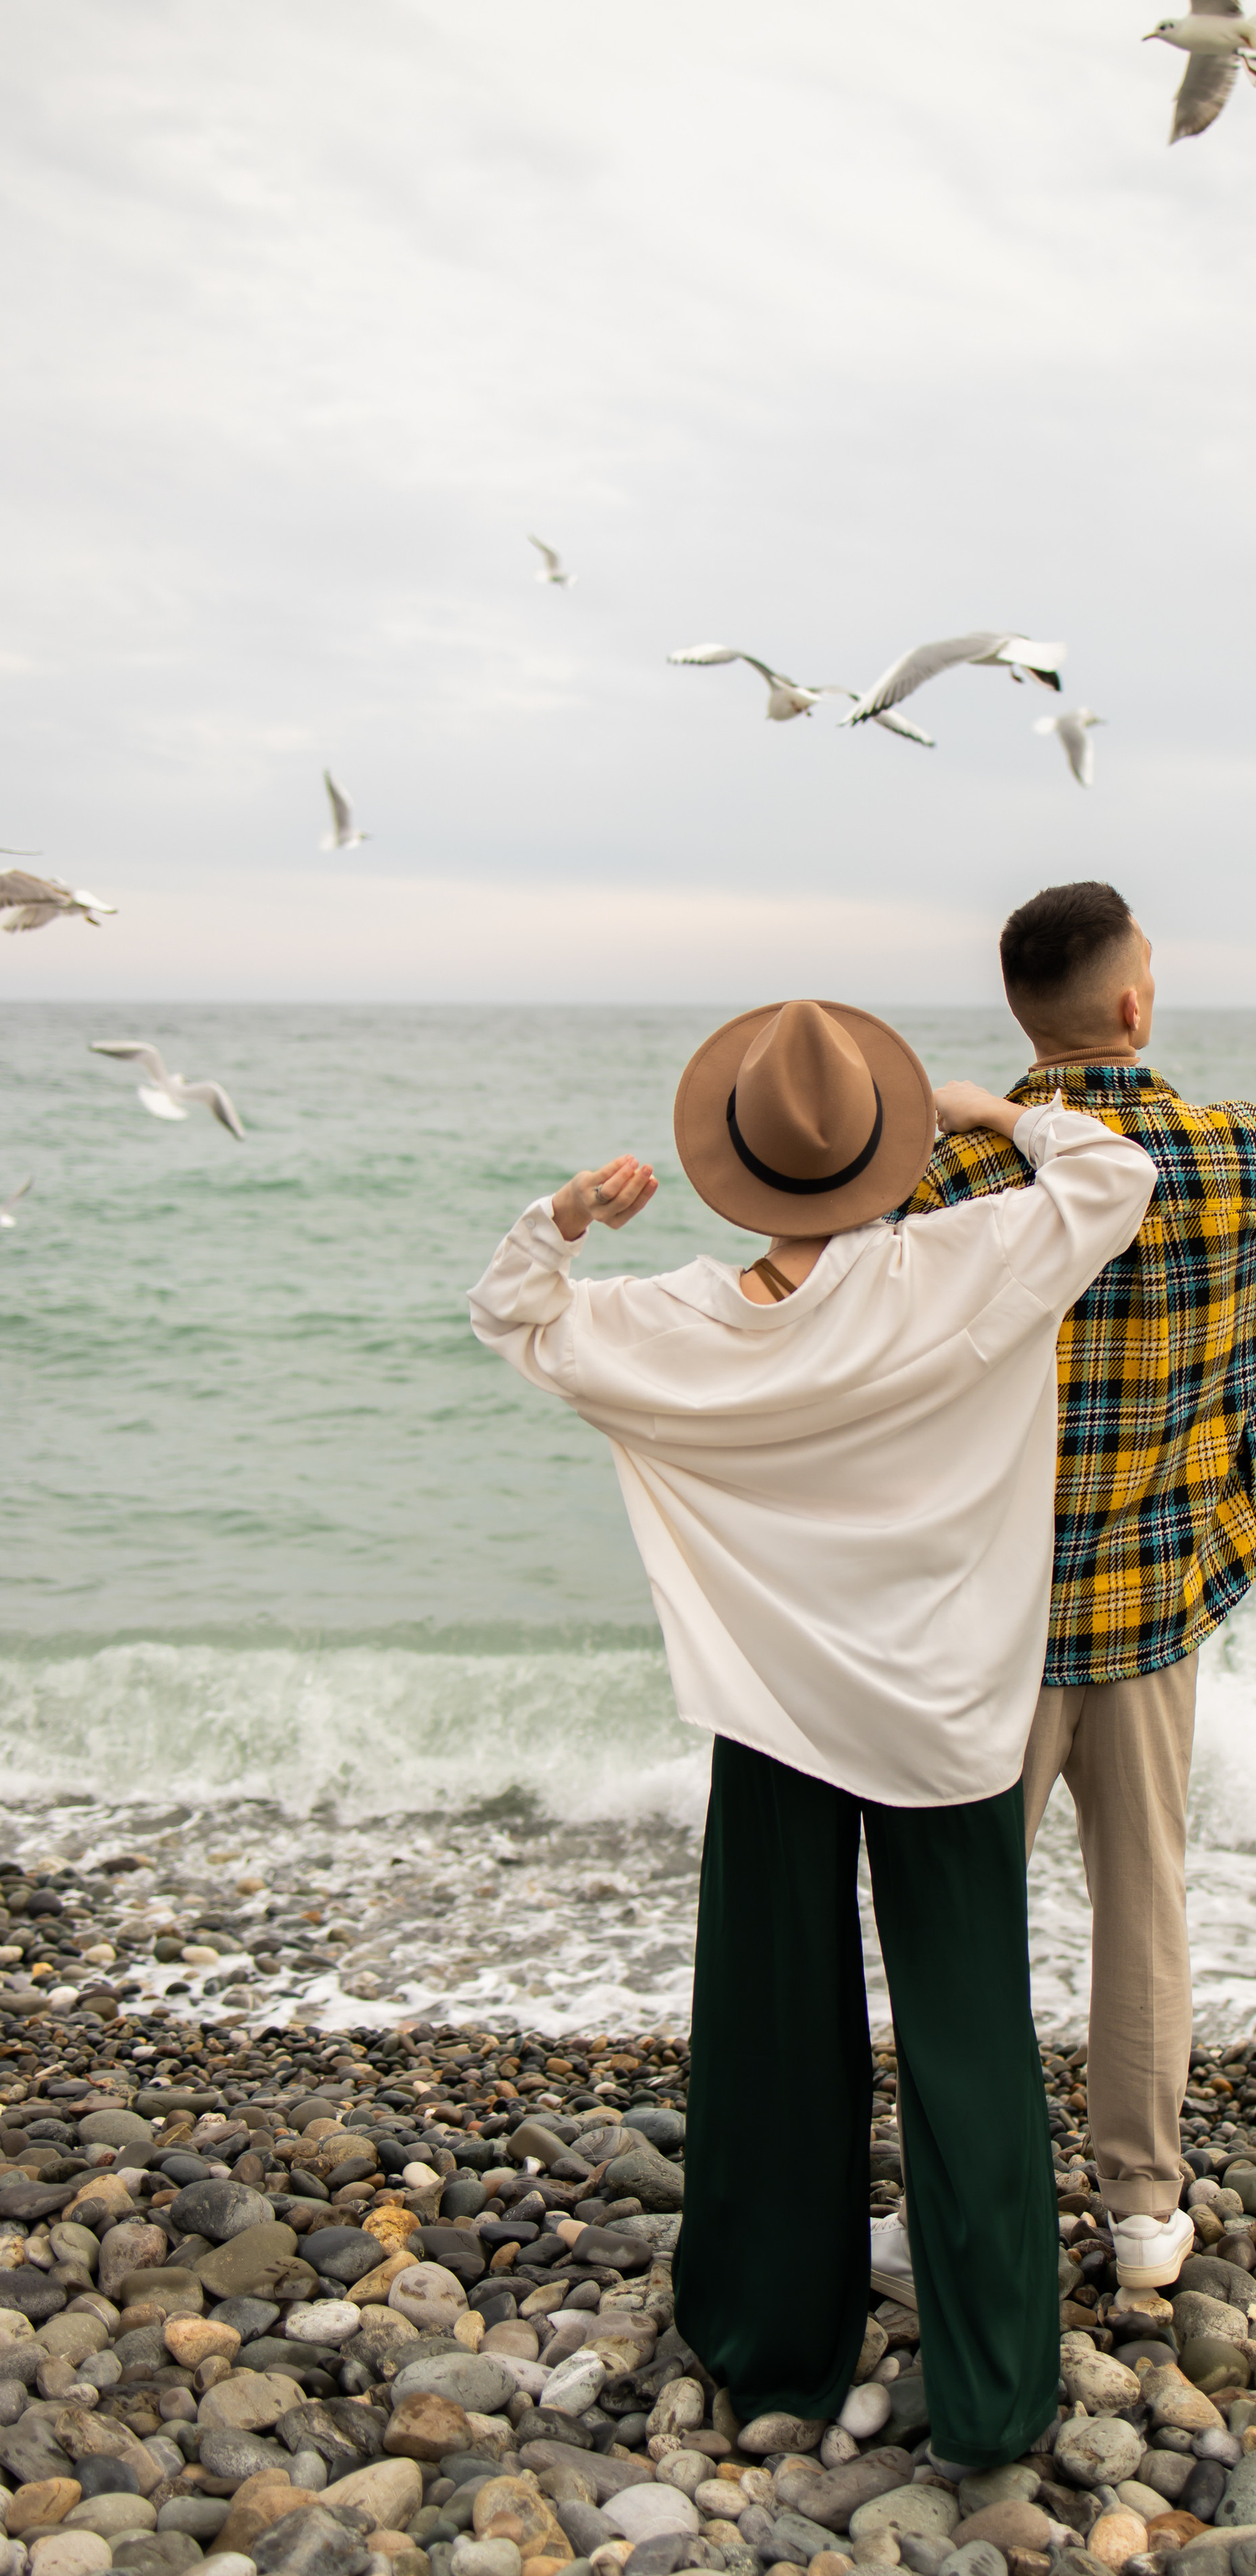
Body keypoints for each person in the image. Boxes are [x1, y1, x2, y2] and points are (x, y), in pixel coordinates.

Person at [468, 994, 1154, 2471]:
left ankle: (775, 2357)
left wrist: (569, 1214)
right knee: (968, 2040)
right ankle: (991, 2394)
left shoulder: (678, 1329)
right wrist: (998, 1115)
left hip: (774, 1715)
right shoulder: (966, 1265)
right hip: (952, 1716)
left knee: (776, 2034)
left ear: (736, 1164)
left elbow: (509, 1310)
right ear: (882, 1155)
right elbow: (1114, 1174)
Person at [887, 884, 1256, 2299]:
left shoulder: (954, 1178)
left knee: (957, 1917)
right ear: (1131, 1004)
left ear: (1017, 1016)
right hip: (1154, 1604)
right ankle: (1143, 2206)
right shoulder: (1225, 1152)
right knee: (1141, 1901)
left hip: (988, 1624)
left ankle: (944, 2204)